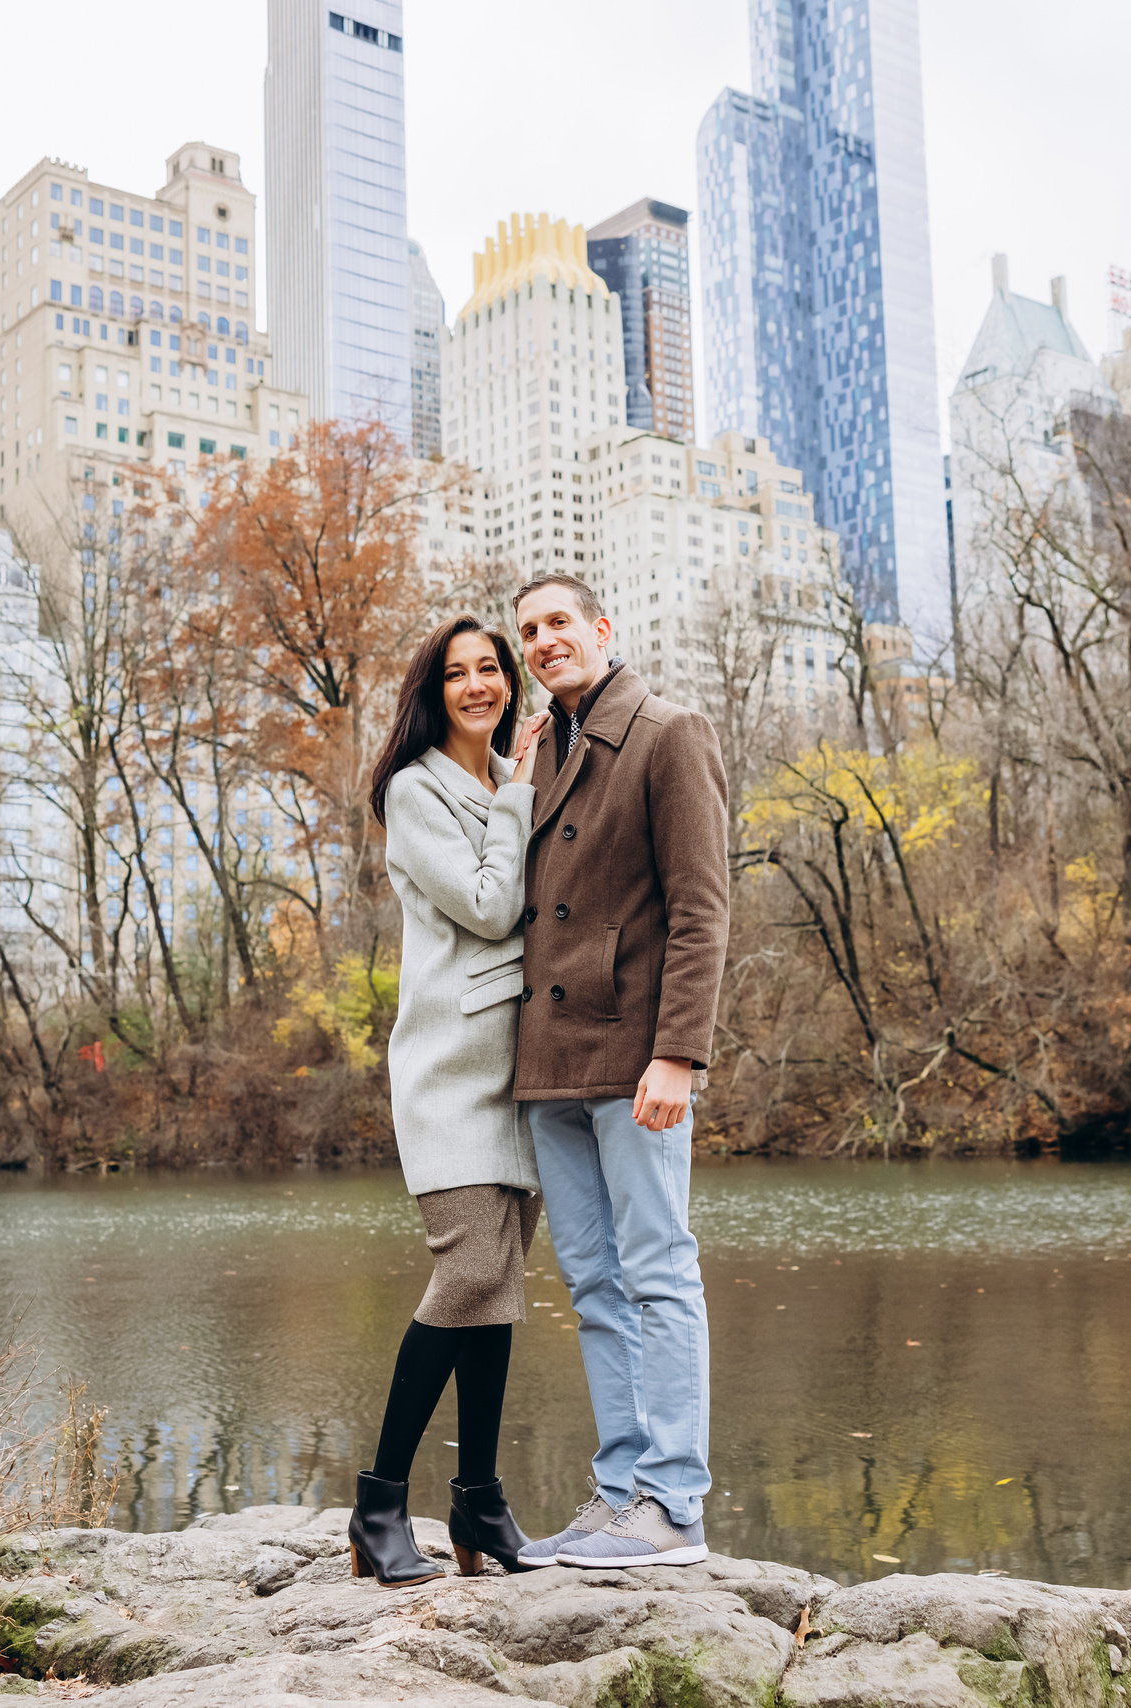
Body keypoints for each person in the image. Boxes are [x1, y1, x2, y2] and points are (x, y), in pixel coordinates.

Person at [506, 573, 728, 1570]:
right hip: (550, 1065)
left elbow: (701, 910)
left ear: (603, 626)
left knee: (658, 1271)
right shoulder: (537, 750)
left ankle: (673, 1502)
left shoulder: (667, 732)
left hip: (637, 1057)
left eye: (557, 623)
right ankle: (617, 1492)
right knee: (593, 1282)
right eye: (527, 632)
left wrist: (677, 1053)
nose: (542, 641)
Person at [351, 615, 555, 1586]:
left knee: (499, 1293)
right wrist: (519, 793)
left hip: (521, 1074)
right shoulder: (415, 788)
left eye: (490, 669)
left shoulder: (497, 781)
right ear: (432, 691)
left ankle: (477, 1503)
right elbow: (484, 904)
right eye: (457, 672)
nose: (477, 684)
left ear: (507, 684)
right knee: (469, 1274)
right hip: (449, 1074)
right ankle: (378, 1501)